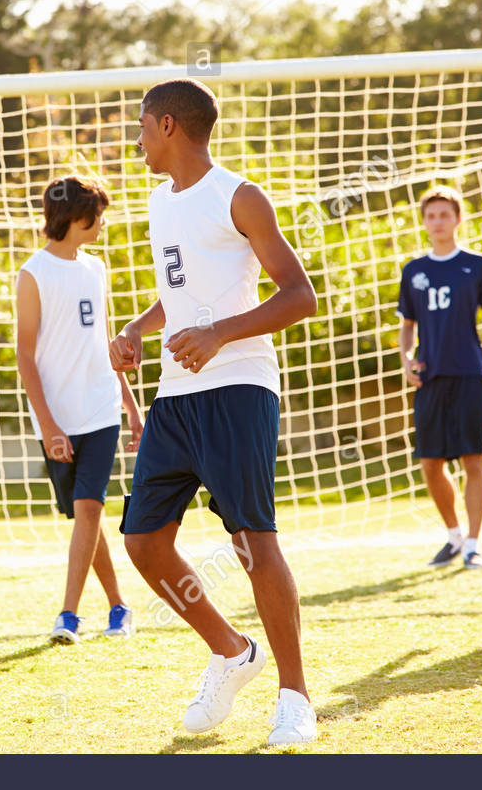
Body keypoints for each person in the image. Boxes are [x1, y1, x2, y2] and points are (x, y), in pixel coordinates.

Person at [110, 78, 319, 745]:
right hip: (176, 396)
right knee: (143, 541)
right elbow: (180, 297)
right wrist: (140, 330)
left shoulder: (240, 196)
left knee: (254, 544)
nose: (136, 138)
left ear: (168, 125)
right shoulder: (157, 201)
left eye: (141, 126)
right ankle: (231, 650)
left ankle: (295, 697)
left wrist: (219, 334)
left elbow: (299, 295)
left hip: (239, 389)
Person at [16, 176, 143, 644]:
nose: (103, 223)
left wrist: (130, 405)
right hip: (56, 419)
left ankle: (67, 617)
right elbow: (25, 357)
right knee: (84, 516)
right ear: (75, 218)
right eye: (98, 215)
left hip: (101, 411)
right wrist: (49, 426)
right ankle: (118, 607)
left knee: (89, 508)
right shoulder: (33, 273)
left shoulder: (97, 269)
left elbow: (105, 345)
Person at [398, 186, 482, 570]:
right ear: (424, 221)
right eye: (431, 215)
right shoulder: (414, 270)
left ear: (458, 219)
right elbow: (407, 325)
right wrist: (406, 359)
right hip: (431, 378)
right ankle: (453, 537)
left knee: (472, 458)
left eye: (444, 214)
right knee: (430, 462)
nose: (437, 222)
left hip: (468, 374)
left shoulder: (478, 265)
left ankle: (474, 545)